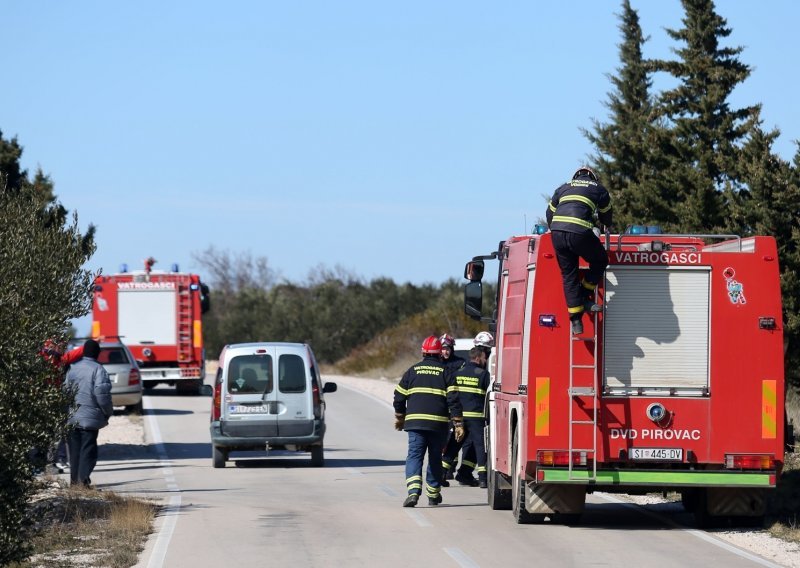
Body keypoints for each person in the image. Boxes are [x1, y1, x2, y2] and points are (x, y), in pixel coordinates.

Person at [394, 335, 463, 508]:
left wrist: (400, 416)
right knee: (434, 458)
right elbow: (454, 400)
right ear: (439, 353)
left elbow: (399, 396)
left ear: (423, 352)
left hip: (415, 424)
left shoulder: (412, 370)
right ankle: (433, 495)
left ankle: (413, 492)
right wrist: (458, 423)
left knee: (415, 456)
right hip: (438, 425)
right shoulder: (446, 372)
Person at [545, 166, 612, 335]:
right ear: (593, 177)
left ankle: (576, 320)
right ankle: (585, 294)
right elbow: (606, 216)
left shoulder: (563, 187)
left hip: (558, 234)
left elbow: (549, 213)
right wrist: (604, 225)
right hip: (580, 232)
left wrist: (556, 229)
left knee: (569, 275)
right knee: (600, 260)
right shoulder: (598, 188)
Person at [441, 332, 494, 488]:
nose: (486, 359)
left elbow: (452, 394)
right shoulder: (483, 374)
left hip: (459, 418)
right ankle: (483, 478)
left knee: (453, 446)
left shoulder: (457, 373)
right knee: (480, 447)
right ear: (478, 358)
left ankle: (442, 474)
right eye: (485, 357)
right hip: (477, 418)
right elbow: (489, 395)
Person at [63, 339, 113, 487]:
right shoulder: (99, 370)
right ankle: (83, 482)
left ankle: (74, 484)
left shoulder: (72, 369)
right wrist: (108, 412)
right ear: (97, 354)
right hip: (90, 419)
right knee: (88, 452)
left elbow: (65, 391)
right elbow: (102, 395)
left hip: (72, 417)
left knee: (75, 452)